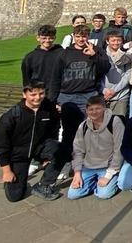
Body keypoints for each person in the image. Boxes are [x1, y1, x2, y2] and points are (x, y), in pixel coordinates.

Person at [55, 24, 111, 177]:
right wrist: (56, 98)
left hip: (88, 95)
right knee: (69, 132)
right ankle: (68, 163)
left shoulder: (96, 49)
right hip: (68, 96)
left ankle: (89, 163)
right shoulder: (64, 53)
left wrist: (94, 55)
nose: (81, 39)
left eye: (84, 36)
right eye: (78, 36)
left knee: (91, 131)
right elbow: (56, 76)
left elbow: (105, 67)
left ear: (88, 36)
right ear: (74, 36)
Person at [0, 81, 63, 202]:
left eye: (41, 93)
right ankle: (19, 181)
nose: (37, 97)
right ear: (24, 94)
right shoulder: (11, 116)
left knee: (62, 150)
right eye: (33, 94)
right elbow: (0, 146)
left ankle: (43, 185)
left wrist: (48, 155)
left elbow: (54, 128)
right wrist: (7, 171)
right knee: (14, 197)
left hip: (39, 148)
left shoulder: (48, 108)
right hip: (18, 155)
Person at [68, 95, 124, 200]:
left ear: (104, 108)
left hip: (108, 167)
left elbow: (119, 150)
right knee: (73, 194)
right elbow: (78, 150)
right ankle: (94, 183)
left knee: (104, 194)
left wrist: (108, 176)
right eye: (91, 109)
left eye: (98, 108)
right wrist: (77, 173)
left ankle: (109, 181)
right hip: (88, 167)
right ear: (86, 111)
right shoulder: (83, 126)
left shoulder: (115, 122)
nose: (94, 112)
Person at [21, 24, 63, 103]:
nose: (47, 40)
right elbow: (26, 80)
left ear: (55, 38)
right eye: (44, 38)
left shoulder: (62, 54)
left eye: (50, 38)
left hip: (59, 94)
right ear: (38, 38)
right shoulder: (30, 57)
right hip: (38, 95)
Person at [103, 30, 132, 117]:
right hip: (104, 95)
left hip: (121, 95)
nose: (116, 43)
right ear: (107, 41)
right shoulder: (102, 54)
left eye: (119, 40)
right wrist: (104, 90)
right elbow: (98, 75)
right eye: (113, 40)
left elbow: (128, 74)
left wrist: (114, 90)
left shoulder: (127, 55)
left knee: (119, 123)